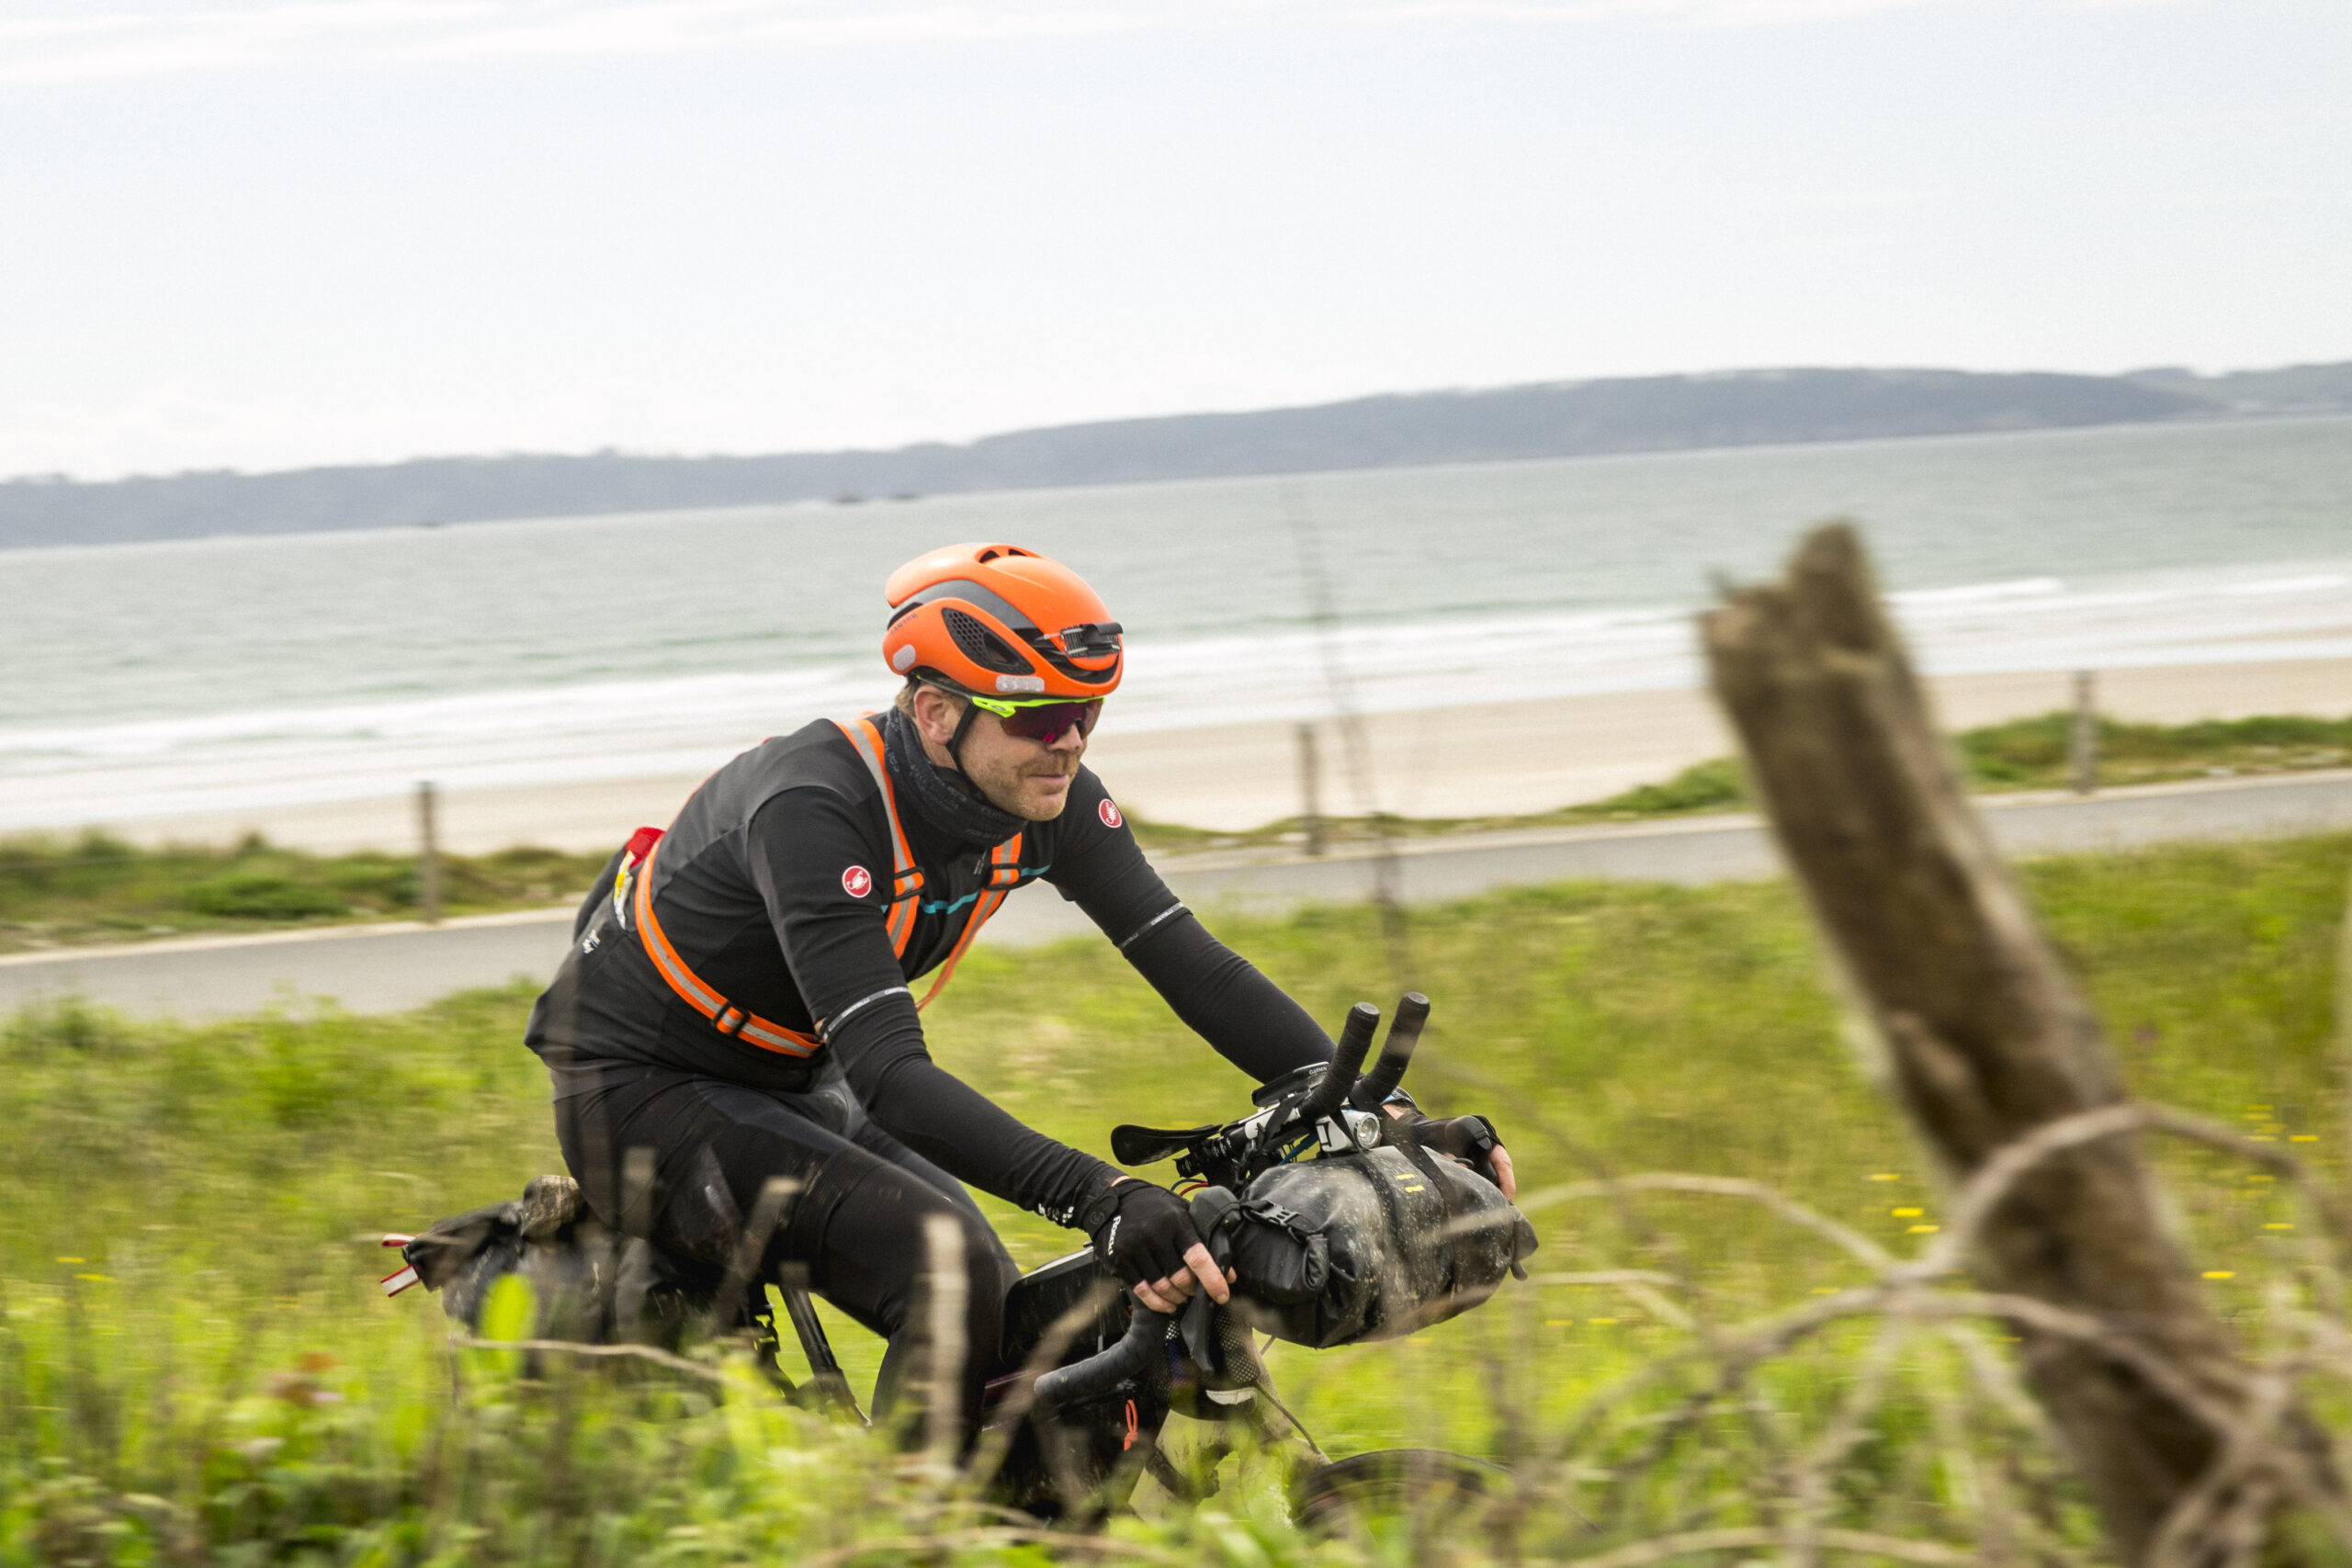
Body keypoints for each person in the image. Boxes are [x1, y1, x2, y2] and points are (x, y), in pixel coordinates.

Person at [526, 541, 1513, 1434]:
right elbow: (891, 1077)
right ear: (935, 712)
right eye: (1040, 716)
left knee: (999, 1300)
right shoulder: (814, 806)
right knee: (944, 1268)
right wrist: (1102, 1195)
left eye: (1087, 713)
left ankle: (999, 1512)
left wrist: (1374, 1112)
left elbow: (1192, 963)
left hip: (789, 1076)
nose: (1070, 742)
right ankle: (894, 1532)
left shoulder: (1047, 797)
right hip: (639, 1088)